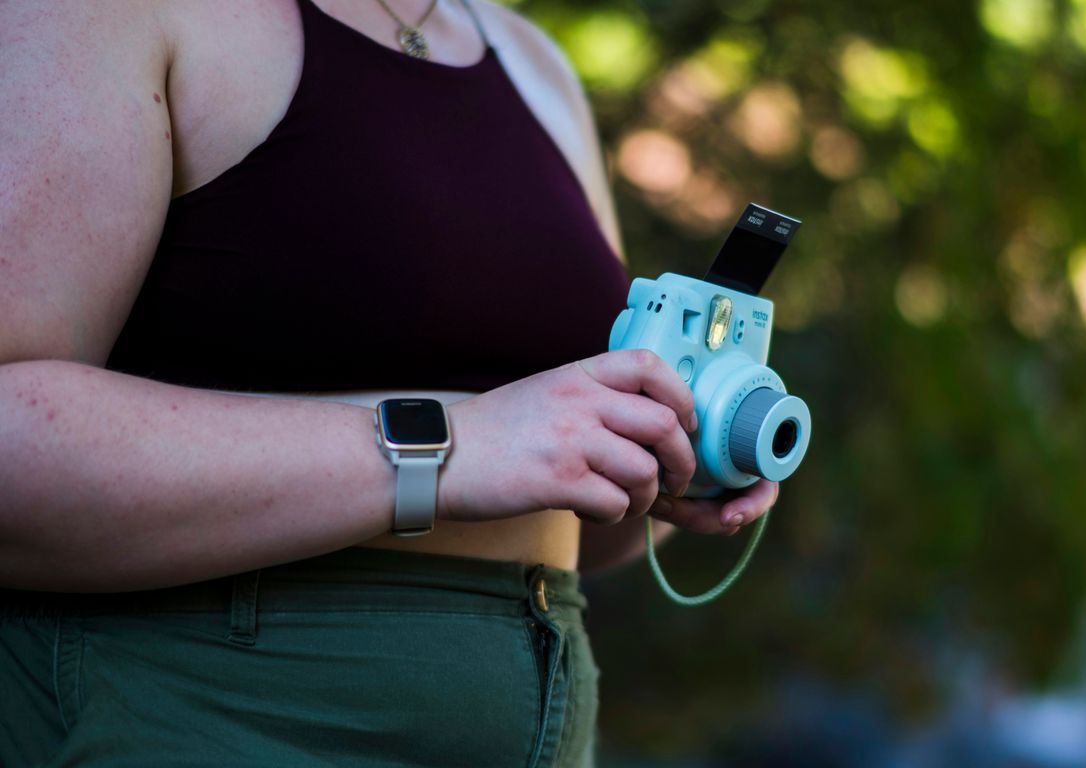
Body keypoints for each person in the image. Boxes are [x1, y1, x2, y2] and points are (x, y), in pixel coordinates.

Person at [0, 0, 779, 764]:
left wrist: (669, 458)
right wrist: (451, 446)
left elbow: (578, 521)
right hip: (222, 713)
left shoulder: (531, 60)